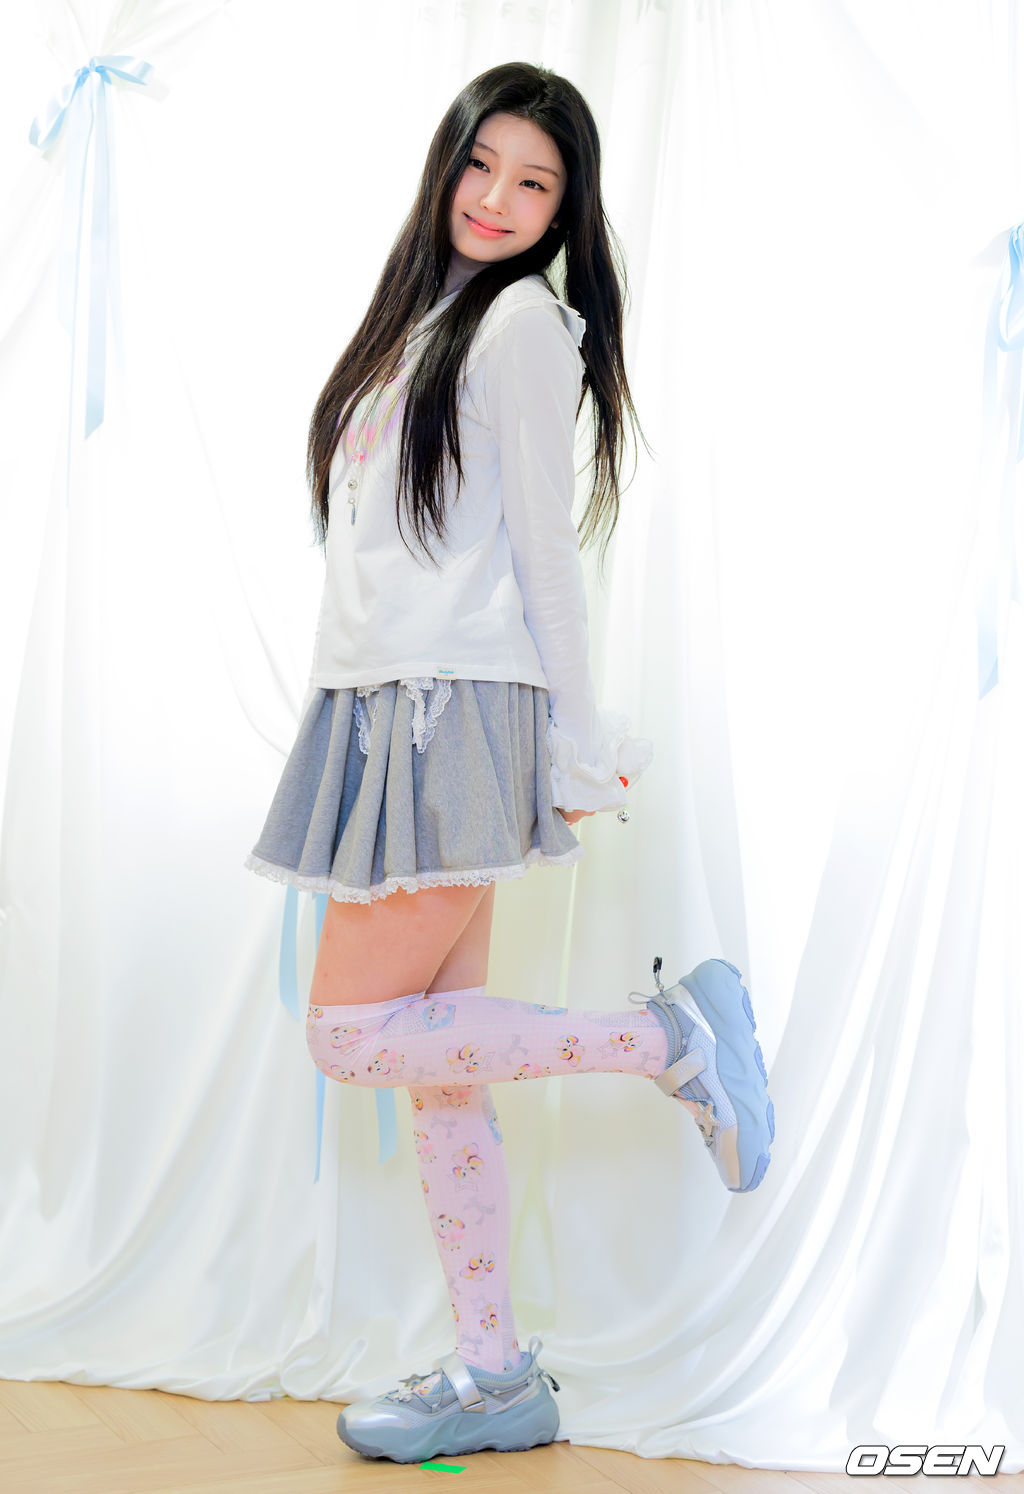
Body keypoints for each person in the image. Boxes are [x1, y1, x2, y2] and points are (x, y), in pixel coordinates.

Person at [244, 60, 774, 1464]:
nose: (497, 198)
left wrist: (576, 743)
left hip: (451, 710)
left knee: (348, 1036)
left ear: (564, 211)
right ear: (448, 162)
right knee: (439, 1064)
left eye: (534, 183)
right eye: (482, 165)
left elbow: (549, 553)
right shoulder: (428, 316)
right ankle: (495, 1373)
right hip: (387, 709)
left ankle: (667, 1040)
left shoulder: (525, 327)